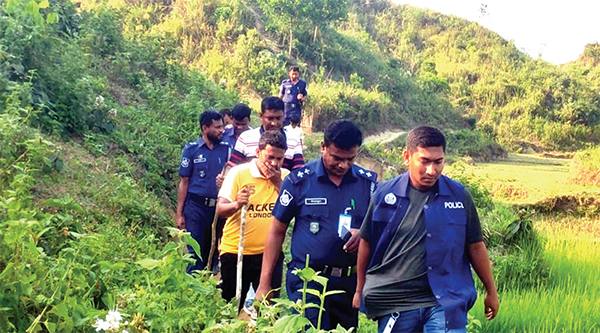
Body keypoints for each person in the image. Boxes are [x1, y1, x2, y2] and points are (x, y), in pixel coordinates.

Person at [353, 126, 499, 333]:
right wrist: (359, 289)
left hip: (444, 300)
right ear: (407, 157)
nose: (432, 170)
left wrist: (491, 291)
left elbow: (475, 246)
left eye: (438, 162)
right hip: (397, 301)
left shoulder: (459, 196)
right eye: (425, 161)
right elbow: (366, 243)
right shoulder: (384, 195)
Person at [256, 120, 377, 330]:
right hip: (308, 281)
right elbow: (276, 232)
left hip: (348, 284)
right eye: (337, 158)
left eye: (350, 159)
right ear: (323, 147)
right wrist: (264, 283)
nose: (343, 165)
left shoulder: (368, 184)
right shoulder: (299, 181)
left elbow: (381, 228)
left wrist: (365, 233)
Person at [216, 130, 288, 311]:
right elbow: (220, 210)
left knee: (268, 310)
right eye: (270, 157)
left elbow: (294, 210)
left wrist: (278, 182)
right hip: (235, 252)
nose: (274, 163)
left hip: (269, 255)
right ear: (258, 153)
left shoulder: (286, 177)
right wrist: (237, 204)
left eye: (279, 159)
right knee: (230, 307)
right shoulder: (238, 173)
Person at [176, 110, 229, 272]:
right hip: (196, 207)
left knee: (212, 252)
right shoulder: (191, 150)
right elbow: (184, 182)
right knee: (194, 251)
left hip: (218, 209)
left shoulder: (227, 150)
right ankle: (191, 289)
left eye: (222, 127)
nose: (222, 130)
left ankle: (205, 288)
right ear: (205, 128)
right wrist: (179, 213)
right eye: (217, 127)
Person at [229, 96, 304, 171]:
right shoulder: (246, 138)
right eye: (270, 118)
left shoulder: (294, 140)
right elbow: (232, 169)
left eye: (278, 118)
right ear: (261, 116)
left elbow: (299, 174)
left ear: (284, 115)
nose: (274, 123)